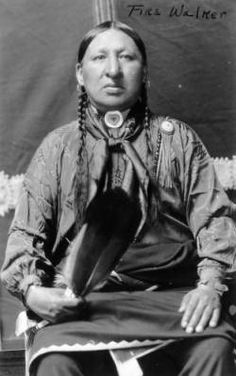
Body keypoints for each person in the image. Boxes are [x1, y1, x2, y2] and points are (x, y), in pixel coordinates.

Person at [1, 20, 236, 376]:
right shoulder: (57, 148)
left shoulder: (179, 141)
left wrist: (209, 288)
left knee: (213, 348)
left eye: (126, 57)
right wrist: (33, 292)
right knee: (56, 363)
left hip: (172, 299)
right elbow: (24, 237)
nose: (113, 70)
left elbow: (214, 219)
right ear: (80, 74)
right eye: (99, 58)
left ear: (144, 72)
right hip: (84, 306)